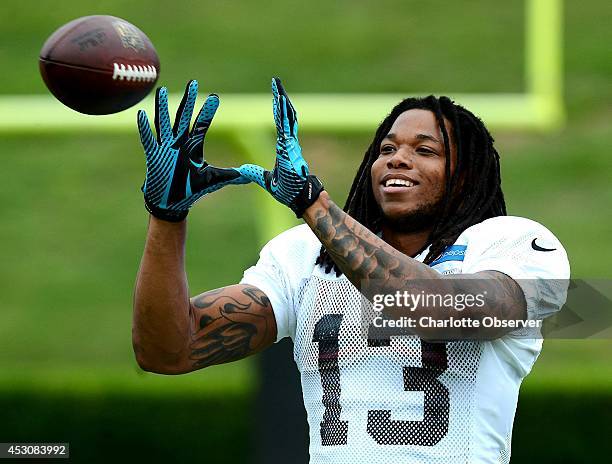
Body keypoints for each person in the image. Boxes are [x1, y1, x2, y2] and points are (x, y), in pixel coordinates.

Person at [132, 78, 570, 463]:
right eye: (387, 149)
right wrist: (167, 219)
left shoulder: (513, 244)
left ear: (466, 174)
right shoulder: (304, 254)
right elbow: (169, 351)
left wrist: (313, 204)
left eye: (425, 150)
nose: (397, 159)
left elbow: (435, 308)